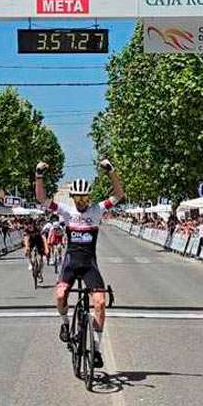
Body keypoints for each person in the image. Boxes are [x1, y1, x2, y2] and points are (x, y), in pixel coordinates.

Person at [35, 158, 125, 369]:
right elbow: (41, 198)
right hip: (70, 263)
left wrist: (111, 171)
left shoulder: (97, 210)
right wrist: (39, 175)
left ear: (89, 197)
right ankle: (65, 324)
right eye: (78, 197)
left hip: (89, 264)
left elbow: (119, 195)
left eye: (85, 197)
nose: (82, 201)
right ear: (73, 197)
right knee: (59, 295)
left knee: (101, 304)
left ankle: (96, 348)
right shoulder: (66, 211)